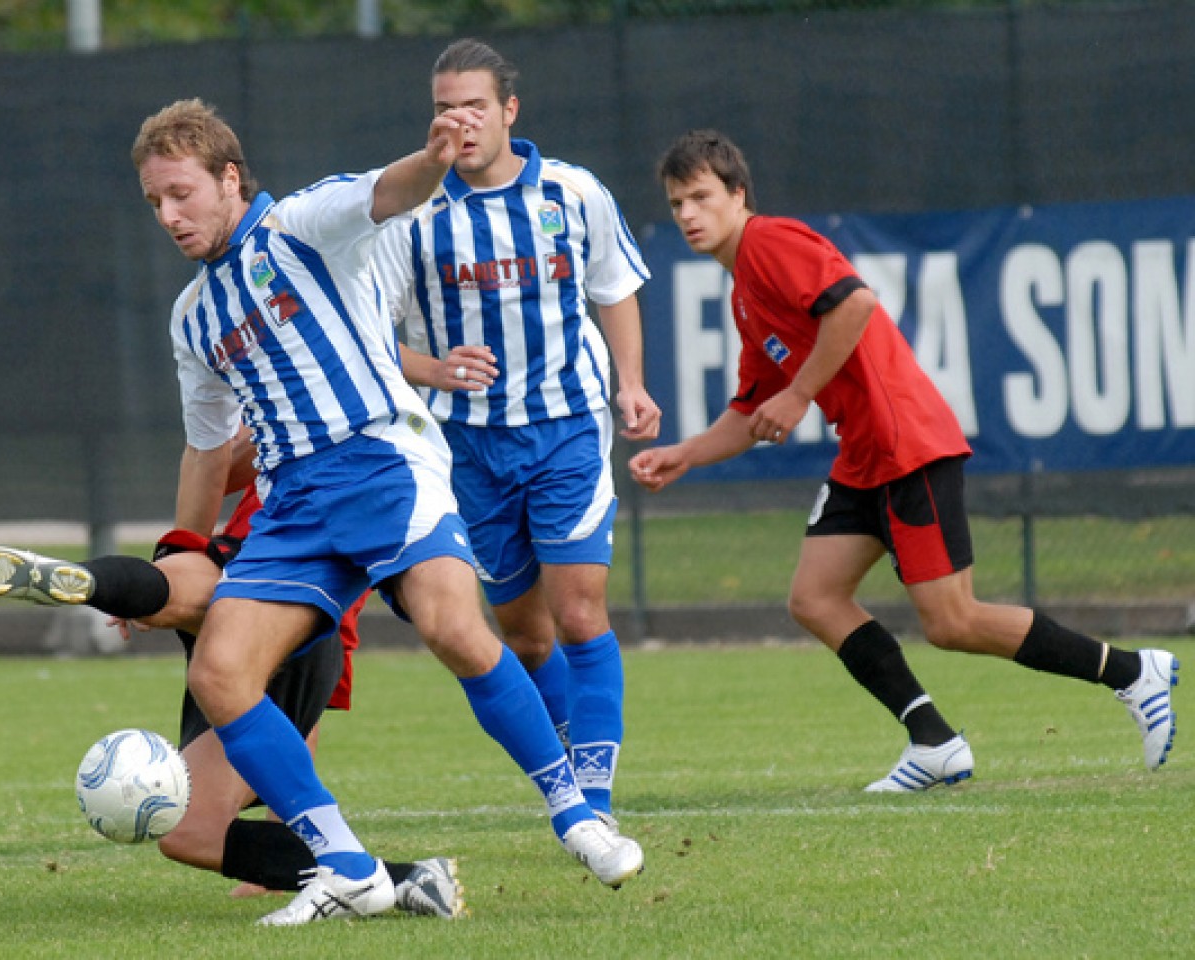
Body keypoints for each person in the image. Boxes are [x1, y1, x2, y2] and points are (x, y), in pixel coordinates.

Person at [125, 97, 641, 925]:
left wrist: (434, 158)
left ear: (229, 178)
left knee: (451, 625)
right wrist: (182, 551)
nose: (169, 215)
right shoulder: (195, 316)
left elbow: (385, 193)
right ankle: (350, 869)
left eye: (181, 193)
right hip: (292, 506)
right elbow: (206, 449)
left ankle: (575, 812)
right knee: (219, 675)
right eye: (155, 202)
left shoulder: (297, 225)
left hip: (380, 461)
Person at [630, 129, 1179, 792]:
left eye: (701, 197)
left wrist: (802, 393)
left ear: (738, 194)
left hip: (904, 442)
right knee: (815, 597)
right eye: (676, 203)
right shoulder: (745, 291)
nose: (688, 214)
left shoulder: (771, 242)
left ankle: (1130, 672)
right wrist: (683, 455)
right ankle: (934, 741)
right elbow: (753, 410)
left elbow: (856, 302)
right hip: (862, 453)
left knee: (953, 621)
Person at [0, 448, 467, 919]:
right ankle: (111, 586)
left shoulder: (296, 412)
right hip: (289, 603)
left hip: (246, 569)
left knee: (188, 828)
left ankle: (401, 880)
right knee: (227, 788)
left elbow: (214, 459)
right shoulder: (356, 436)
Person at [373, 38, 662, 824]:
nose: (456, 121)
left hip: (566, 428)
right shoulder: (412, 217)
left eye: (472, 105)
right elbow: (365, 336)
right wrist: (431, 369)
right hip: (466, 450)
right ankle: (567, 756)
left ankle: (591, 802)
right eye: (442, 107)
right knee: (526, 640)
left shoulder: (572, 193)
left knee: (578, 616)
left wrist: (630, 383)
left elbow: (615, 289)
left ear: (508, 111)